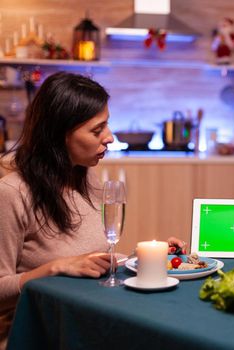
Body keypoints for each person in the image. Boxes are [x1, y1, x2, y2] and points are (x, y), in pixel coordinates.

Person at [0, 72, 184, 348]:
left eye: (106, 125)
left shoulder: (86, 177)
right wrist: (55, 268)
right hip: (45, 333)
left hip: (89, 319)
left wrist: (149, 256)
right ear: (58, 134)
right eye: (97, 130)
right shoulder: (12, 193)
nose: (109, 138)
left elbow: (92, 261)